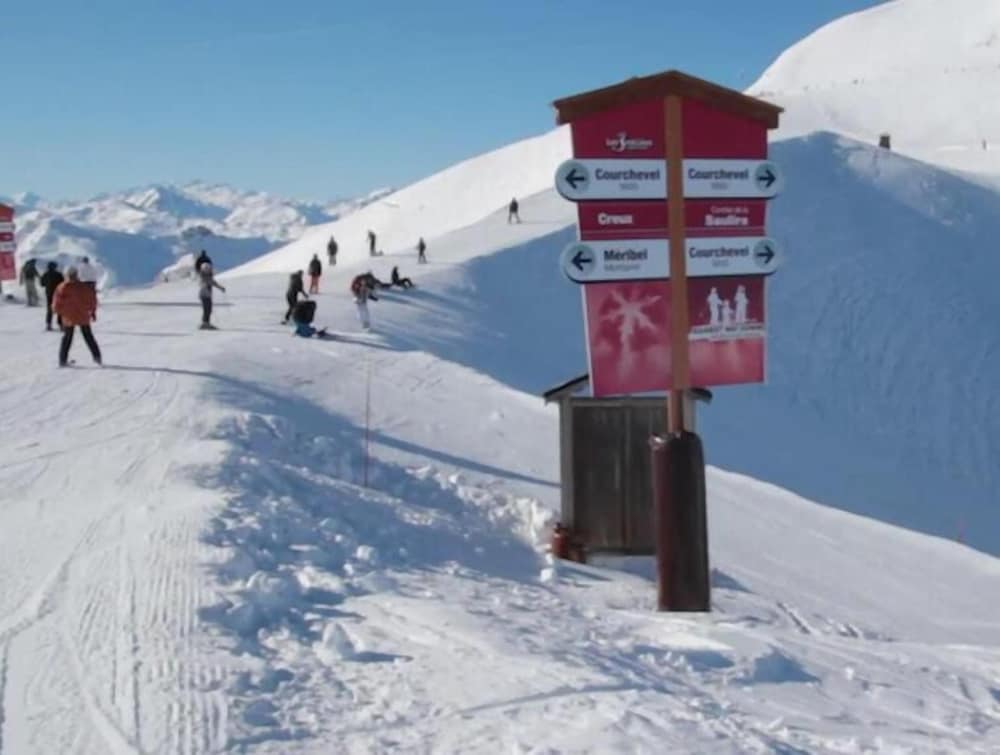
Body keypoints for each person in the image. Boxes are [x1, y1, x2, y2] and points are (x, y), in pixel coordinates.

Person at [52, 267, 101, 367]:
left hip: (68, 316)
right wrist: (92, 311)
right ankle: (97, 357)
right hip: (82, 315)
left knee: (67, 338)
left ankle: (62, 360)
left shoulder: (62, 287)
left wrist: (59, 312)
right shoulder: (83, 287)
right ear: (76, 275)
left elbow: (56, 303)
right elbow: (92, 300)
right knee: (88, 337)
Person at [197, 262, 226, 329]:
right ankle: (205, 323)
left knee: (208, 309)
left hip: (207, 295)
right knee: (207, 309)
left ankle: (206, 323)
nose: (209, 270)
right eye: (207, 269)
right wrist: (220, 288)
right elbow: (210, 282)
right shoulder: (203, 277)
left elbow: (213, 282)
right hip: (204, 295)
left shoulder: (207, 277)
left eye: (209, 269)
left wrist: (221, 288)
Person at [39, 261, 65, 330]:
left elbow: (42, 284)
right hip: (58, 293)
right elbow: (63, 283)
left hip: (48, 293)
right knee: (59, 308)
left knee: (49, 309)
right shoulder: (58, 274)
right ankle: (61, 324)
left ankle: (48, 324)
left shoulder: (45, 274)